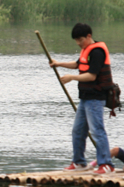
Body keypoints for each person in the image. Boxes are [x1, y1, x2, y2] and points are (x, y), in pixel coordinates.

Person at [49, 23, 116, 174]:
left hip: (96, 98)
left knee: (97, 131)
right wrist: (58, 63)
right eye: (76, 41)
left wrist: (71, 78)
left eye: (80, 40)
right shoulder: (87, 50)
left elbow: (91, 75)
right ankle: (79, 162)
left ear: (89, 36)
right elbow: (78, 64)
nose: (78, 43)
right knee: (78, 131)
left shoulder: (98, 51)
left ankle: (106, 165)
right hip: (85, 98)